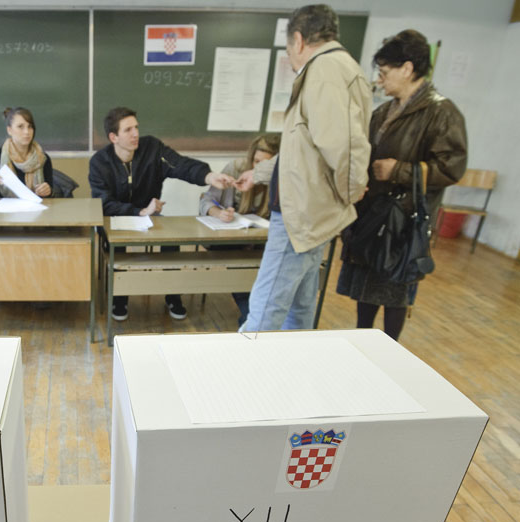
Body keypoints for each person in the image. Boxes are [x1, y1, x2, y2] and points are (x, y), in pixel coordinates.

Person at [235, 5, 371, 332]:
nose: (290, 58)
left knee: (264, 312)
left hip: (301, 217)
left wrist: (352, 192)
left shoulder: (325, 71)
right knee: (300, 309)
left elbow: (344, 148)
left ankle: (238, 378)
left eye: (287, 50)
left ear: (298, 40)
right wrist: (261, 174)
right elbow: (303, 150)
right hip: (312, 214)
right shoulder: (336, 68)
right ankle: (294, 375)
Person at [336, 30, 467, 340]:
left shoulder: (442, 112)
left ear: (407, 68)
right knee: (367, 289)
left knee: (394, 290)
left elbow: (451, 168)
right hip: (373, 215)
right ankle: (363, 343)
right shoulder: (384, 111)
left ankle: (388, 352)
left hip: (403, 221)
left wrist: (399, 171)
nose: (380, 80)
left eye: (384, 72)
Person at [89, 106, 234, 321]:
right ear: (113, 137)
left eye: (136, 127)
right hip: (116, 219)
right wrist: (138, 211)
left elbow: (181, 165)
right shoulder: (100, 162)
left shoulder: (152, 148)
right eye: (128, 130)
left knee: (170, 238)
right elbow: (103, 203)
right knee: (118, 245)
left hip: (150, 217)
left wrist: (208, 175)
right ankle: (119, 297)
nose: (136, 134)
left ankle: (172, 294)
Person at [198, 133, 280, 325]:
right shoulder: (236, 168)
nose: (257, 168)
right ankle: (250, 316)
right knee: (241, 264)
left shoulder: (280, 177)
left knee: (265, 268)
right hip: (230, 239)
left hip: (261, 241)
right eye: (255, 161)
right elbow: (206, 200)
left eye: (264, 165)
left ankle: (257, 316)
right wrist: (218, 213)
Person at [0, 107, 53, 198]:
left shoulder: (42, 158)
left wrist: (48, 191)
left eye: (30, 126)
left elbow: (50, 195)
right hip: (4, 210)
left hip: (34, 209)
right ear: (9, 130)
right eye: (20, 127)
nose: (27, 132)